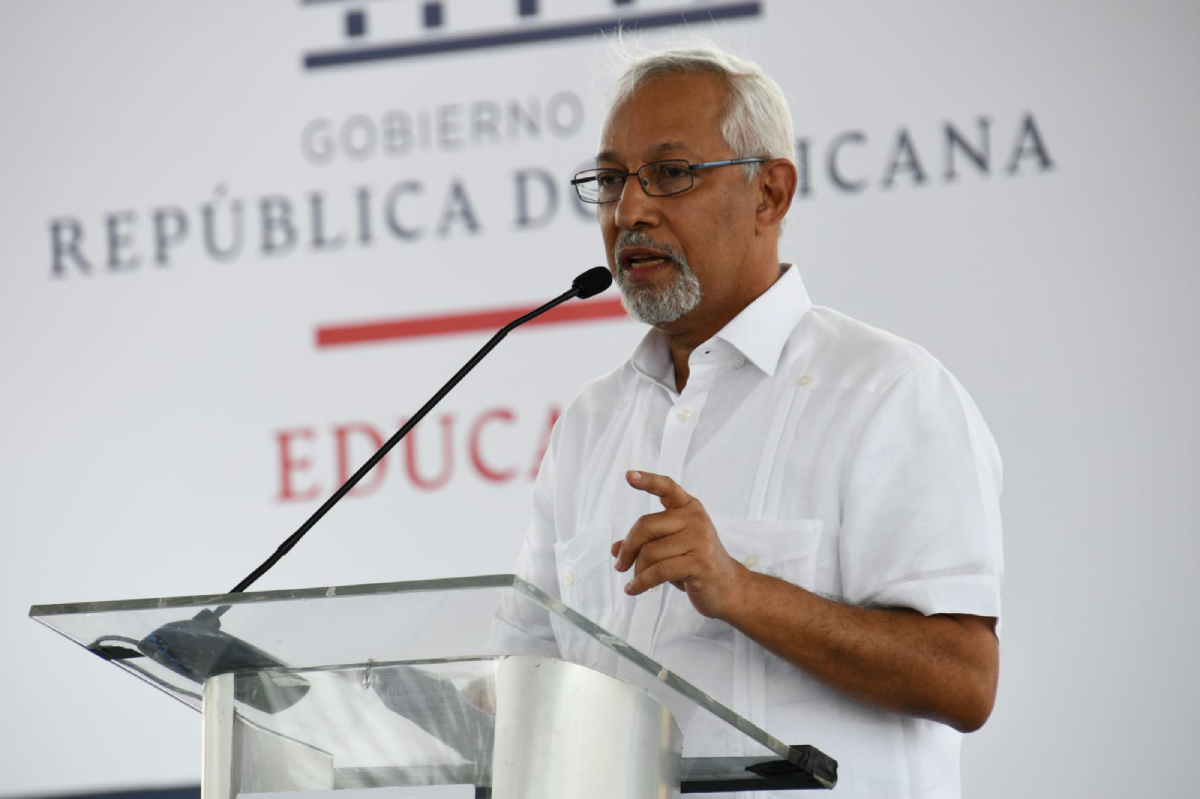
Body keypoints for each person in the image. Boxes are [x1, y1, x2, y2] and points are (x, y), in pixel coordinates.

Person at [503, 43, 1003, 799]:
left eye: (669, 174)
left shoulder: (887, 392)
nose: (629, 210)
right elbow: (519, 677)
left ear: (769, 193)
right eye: (610, 180)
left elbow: (966, 679)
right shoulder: (588, 424)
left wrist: (742, 589)